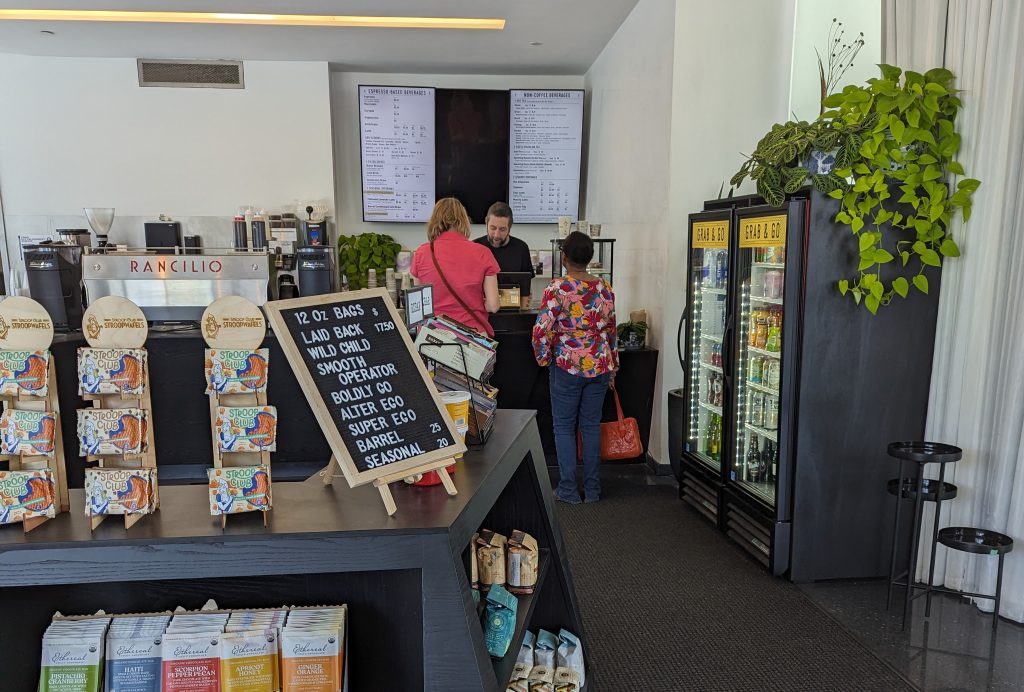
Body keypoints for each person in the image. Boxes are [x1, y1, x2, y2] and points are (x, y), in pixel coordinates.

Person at [532, 231, 618, 504]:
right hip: (600, 365)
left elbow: (541, 329)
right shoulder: (605, 288)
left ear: (564, 257)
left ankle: (569, 489)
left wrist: (543, 358)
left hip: (567, 366)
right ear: (590, 258)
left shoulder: (557, 289)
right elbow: (612, 330)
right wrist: (613, 365)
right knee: (591, 426)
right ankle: (593, 490)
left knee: (564, 427)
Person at [411, 197, 501, 337]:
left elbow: (419, 305)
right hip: (473, 337)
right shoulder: (482, 252)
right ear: (463, 220)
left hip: (433, 337)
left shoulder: (421, 253)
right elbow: (493, 306)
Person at [474, 201, 534, 308]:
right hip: (482, 310)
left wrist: (526, 299)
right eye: (493, 228)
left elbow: (527, 284)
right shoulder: (475, 247)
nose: (496, 235)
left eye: (502, 229)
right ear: (486, 223)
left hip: (513, 310)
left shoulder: (521, 248)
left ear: (509, 228)